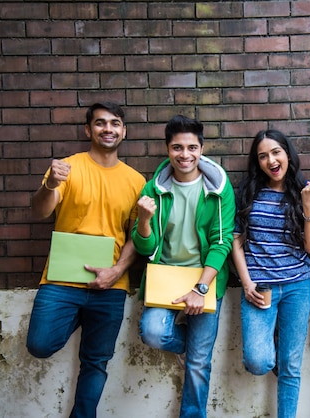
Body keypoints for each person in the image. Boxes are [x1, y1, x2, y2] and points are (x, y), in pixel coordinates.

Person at [26, 102, 146, 418]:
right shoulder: (66, 168)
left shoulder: (136, 181)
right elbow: (40, 211)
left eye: (115, 123)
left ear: (124, 131)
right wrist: (50, 185)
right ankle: (78, 314)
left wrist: (118, 270)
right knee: (39, 344)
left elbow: (137, 236)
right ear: (88, 130)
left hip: (110, 285)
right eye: (100, 123)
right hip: (61, 282)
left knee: (95, 362)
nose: (108, 129)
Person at [132, 115, 235, 418]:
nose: (185, 155)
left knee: (199, 364)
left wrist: (200, 289)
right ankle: (189, 347)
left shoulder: (218, 187)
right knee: (152, 333)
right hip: (165, 275)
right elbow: (145, 248)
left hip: (205, 278)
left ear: (202, 149)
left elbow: (221, 242)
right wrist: (143, 220)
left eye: (192, 147)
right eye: (177, 147)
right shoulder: (153, 190)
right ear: (167, 149)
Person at [231, 130, 310, 418]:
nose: (271, 160)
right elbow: (235, 240)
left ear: (287, 154)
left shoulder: (305, 190)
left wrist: (308, 207)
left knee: (292, 367)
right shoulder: (247, 191)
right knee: (258, 360)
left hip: (298, 286)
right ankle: (277, 351)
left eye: (276, 152)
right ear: (257, 162)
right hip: (260, 287)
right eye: (263, 156)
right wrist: (246, 283)